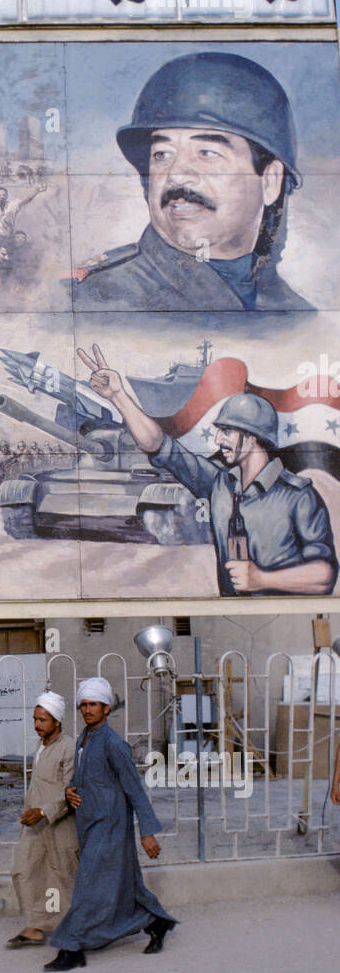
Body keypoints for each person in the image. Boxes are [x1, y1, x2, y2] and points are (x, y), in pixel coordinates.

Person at [77, 343, 337, 597]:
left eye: (226, 432)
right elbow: (159, 446)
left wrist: (260, 579)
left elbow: (325, 574)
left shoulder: (299, 497)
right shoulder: (219, 484)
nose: (218, 440)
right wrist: (118, 397)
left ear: (252, 436)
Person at [71, 52, 312, 311]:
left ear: (270, 181)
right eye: (162, 155)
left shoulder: (298, 316)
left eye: (206, 153)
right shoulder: (92, 299)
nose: (176, 174)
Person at [45, 677, 176, 972]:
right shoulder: (83, 739)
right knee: (125, 885)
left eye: (93, 705)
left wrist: (147, 832)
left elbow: (134, 789)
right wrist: (69, 791)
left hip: (112, 826)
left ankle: (72, 947)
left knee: (86, 886)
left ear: (105, 708)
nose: (87, 710)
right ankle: (157, 921)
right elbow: (81, 777)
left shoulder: (114, 744)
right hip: (89, 825)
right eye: (84, 705)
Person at [7, 692, 78, 948]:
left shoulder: (69, 747)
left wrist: (45, 811)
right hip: (35, 822)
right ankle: (34, 924)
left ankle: (63, 928)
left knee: (60, 876)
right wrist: (32, 811)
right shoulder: (42, 745)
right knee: (24, 869)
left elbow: (72, 790)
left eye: (43, 720)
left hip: (59, 823)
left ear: (57, 721)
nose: (37, 725)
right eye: (35, 719)